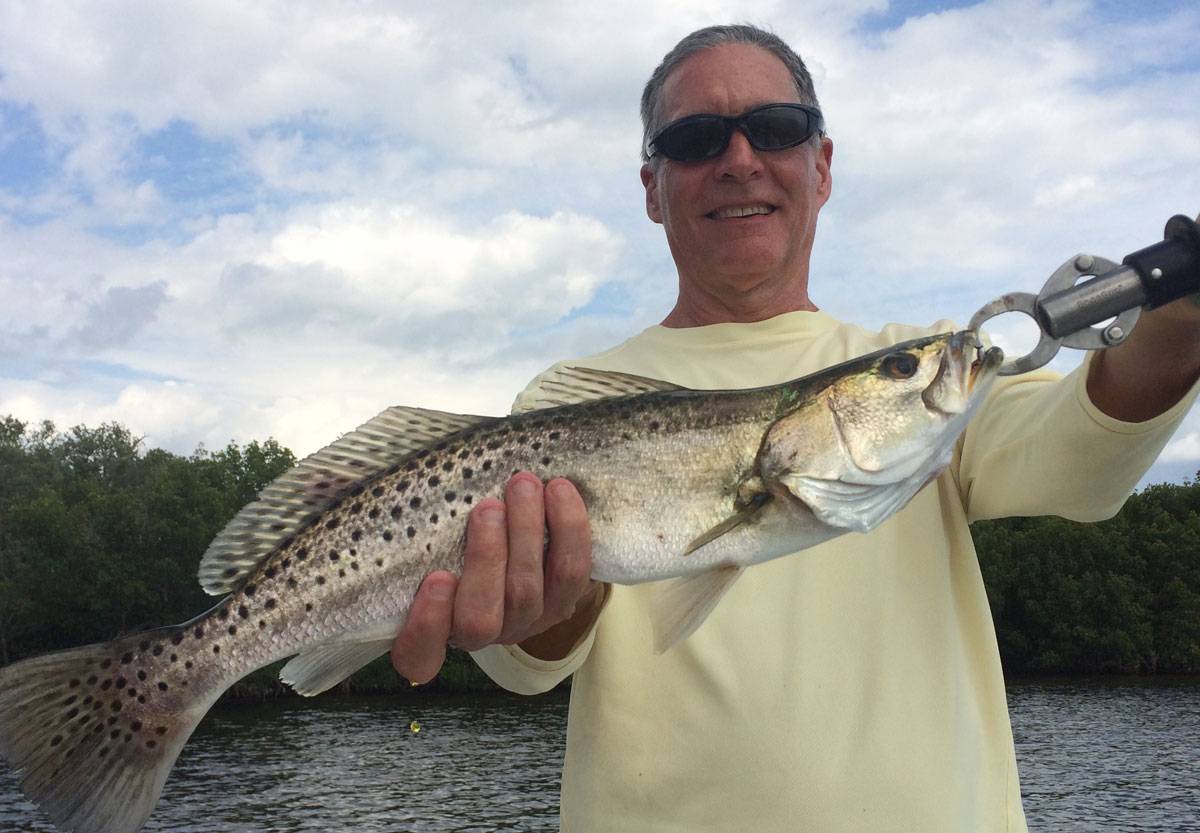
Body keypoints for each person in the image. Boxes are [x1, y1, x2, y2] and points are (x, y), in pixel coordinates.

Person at [390, 24, 1200, 832]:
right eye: (697, 138)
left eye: (775, 129)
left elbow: (1085, 461)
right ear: (651, 186)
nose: (739, 159)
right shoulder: (561, 402)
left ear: (822, 165)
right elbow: (526, 665)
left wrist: (1185, 317)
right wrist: (546, 607)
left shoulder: (919, 382)